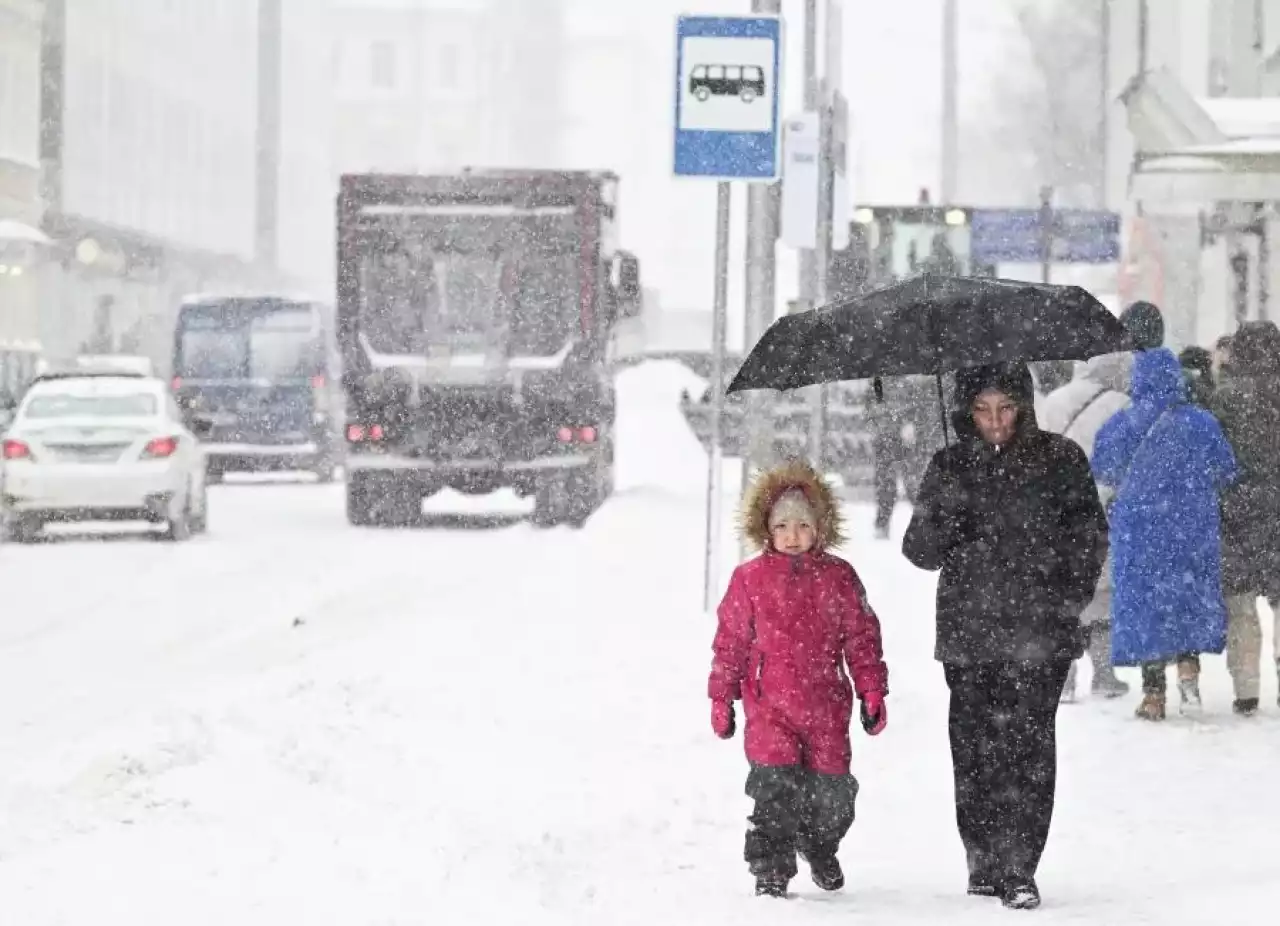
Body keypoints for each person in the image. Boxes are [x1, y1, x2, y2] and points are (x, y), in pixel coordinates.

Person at [902, 363, 1107, 911]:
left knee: (1029, 747)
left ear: (1024, 406)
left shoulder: (1060, 461)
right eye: (982, 410)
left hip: (1039, 633)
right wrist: (949, 516)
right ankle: (984, 856)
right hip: (969, 635)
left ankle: (1020, 865)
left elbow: (1089, 538)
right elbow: (919, 551)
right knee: (973, 748)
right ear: (966, 412)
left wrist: (1066, 600)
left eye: (1006, 408)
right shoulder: (948, 466)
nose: (995, 422)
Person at [708, 459, 889, 899]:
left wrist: (871, 689)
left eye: (803, 525)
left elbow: (862, 637)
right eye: (782, 525)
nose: (793, 536)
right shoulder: (749, 579)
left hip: (826, 708)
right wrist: (721, 697)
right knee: (773, 792)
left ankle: (820, 844)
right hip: (770, 707)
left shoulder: (839, 577)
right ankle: (770, 866)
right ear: (766, 529)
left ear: (820, 528)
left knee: (834, 797)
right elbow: (730, 642)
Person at [1092, 347, 1237, 720]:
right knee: (1186, 600)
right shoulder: (1201, 422)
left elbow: (1103, 468)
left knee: (1148, 609)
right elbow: (1226, 469)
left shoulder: (1123, 422)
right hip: (1192, 529)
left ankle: (1153, 694)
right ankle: (1189, 670)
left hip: (1141, 533)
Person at [1039, 352, 1135, 702]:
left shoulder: (1053, 401)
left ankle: (1064, 678)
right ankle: (1105, 674)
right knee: (1103, 590)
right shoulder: (1123, 403)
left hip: (1059, 507)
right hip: (1105, 505)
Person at [1210, 321, 1280, 715]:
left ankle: (1246, 689)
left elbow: (1215, 456)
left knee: (1240, 603)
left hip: (1235, 508)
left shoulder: (1225, 398)